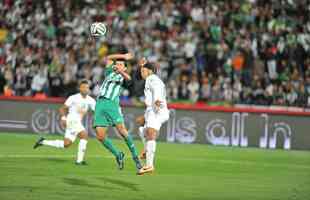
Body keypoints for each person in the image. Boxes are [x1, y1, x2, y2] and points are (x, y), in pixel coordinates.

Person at [94, 52, 142, 172]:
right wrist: (124, 56)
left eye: (121, 64)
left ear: (125, 68)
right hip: (100, 103)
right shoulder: (109, 72)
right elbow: (108, 57)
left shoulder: (123, 77)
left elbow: (130, 80)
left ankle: (136, 157)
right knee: (100, 136)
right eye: (117, 64)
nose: (118, 65)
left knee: (122, 131)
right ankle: (118, 154)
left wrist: (120, 71)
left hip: (111, 104)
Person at [33, 80, 96, 165]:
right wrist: (63, 118)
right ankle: (79, 161)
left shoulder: (91, 100)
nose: (86, 89)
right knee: (84, 135)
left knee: (66, 144)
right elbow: (62, 109)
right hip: (71, 120)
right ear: (79, 88)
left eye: (87, 87)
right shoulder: (73, 97)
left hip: (77, 122)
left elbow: (96, 111)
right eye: (84, 87)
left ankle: (42, 142)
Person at [137, 60, 170, 175]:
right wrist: (142, 65)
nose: (141, 72)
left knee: (150, 133)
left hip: (156, 109)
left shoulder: (152, 79)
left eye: (143, 70)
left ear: (150, 71)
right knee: (142, 129)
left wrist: (156, 100)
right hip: (152, 109)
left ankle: (149, 165)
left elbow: (156, 90)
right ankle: (147, 150)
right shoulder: (150, 78)